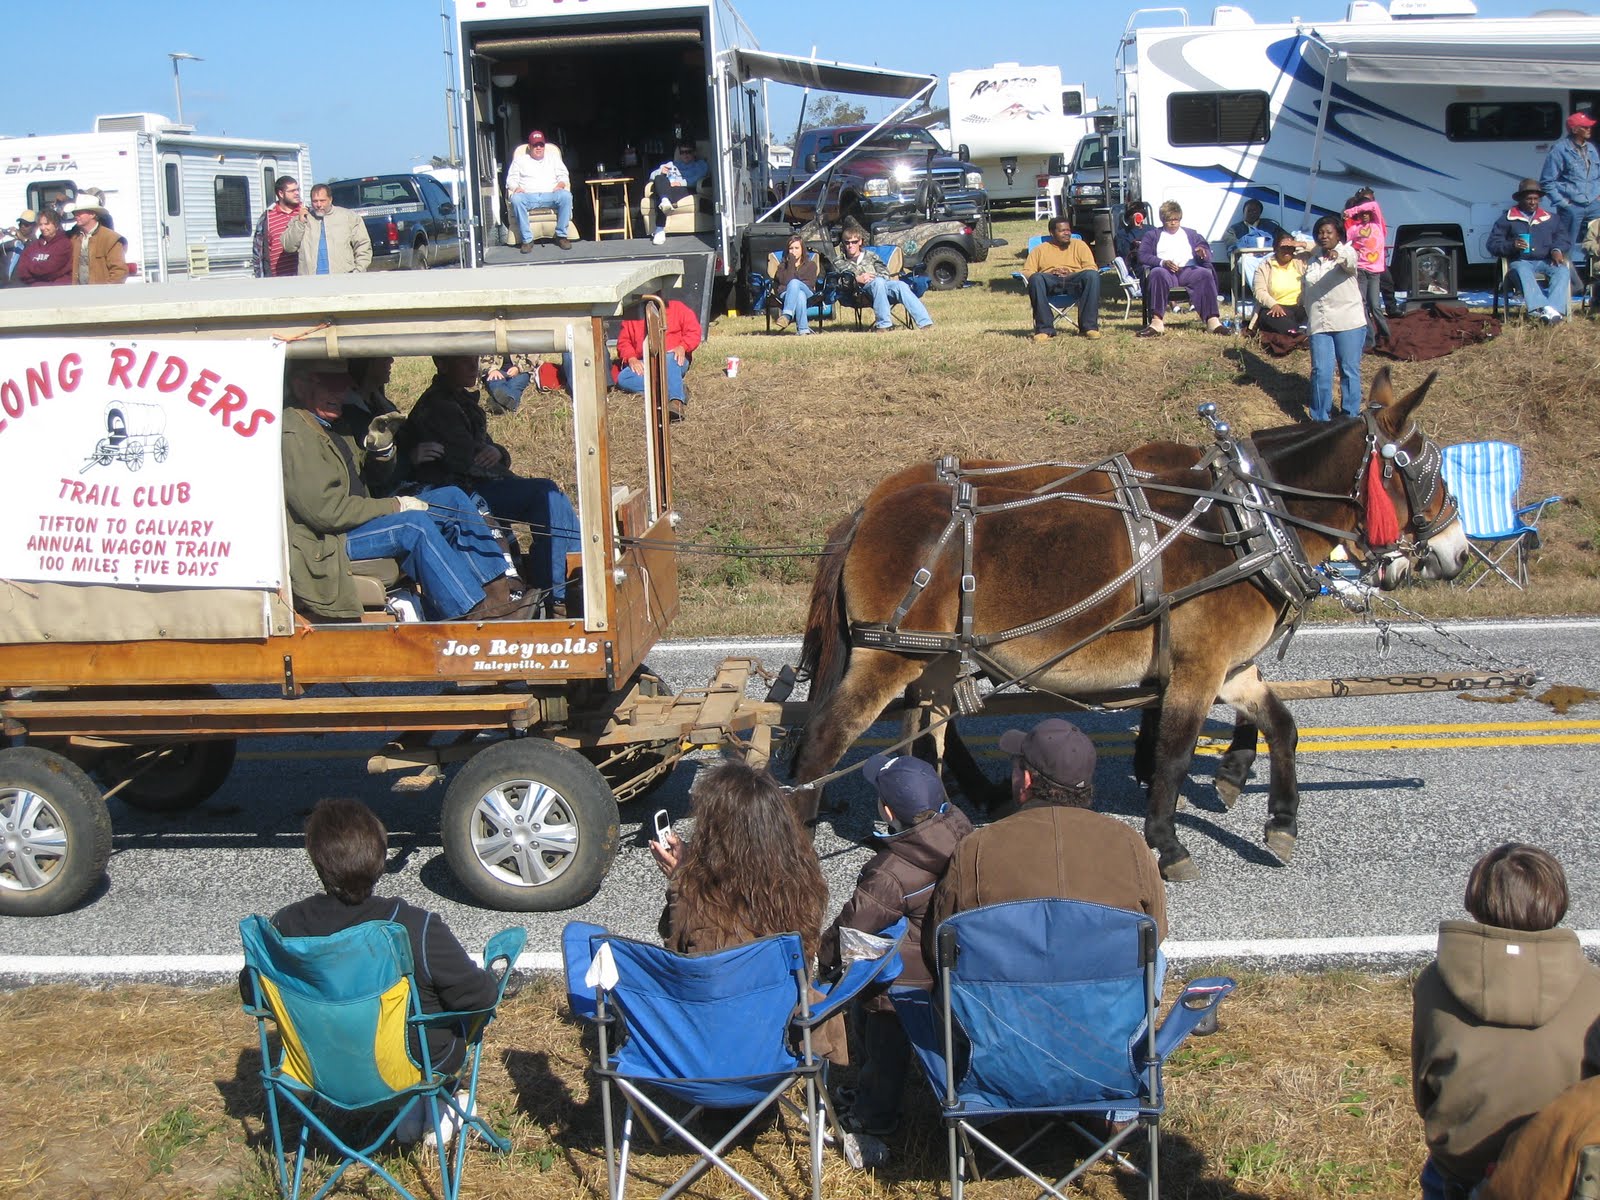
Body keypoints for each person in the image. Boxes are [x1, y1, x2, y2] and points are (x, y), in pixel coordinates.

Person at [245, 797, 498, 1143]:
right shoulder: (413, 927)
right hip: (409, 1072)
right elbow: (479, 997)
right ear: (381, 860)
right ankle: (438, 1098)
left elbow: (254, 993)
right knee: (459, 1006)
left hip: (319, 1073)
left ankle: (416, 1110)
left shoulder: (282, 930)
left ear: (318, 862)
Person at [1412, 843, 1600, 1200]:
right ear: (1556, 901)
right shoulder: (1594, 990)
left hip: (1458, 1174)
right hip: (1559, 1177)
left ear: (1477, 899)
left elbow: (1425, 1094)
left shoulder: (1434, 984)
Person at [817, 753, 972, 1168]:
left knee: (882, 1050)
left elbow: (855, 928)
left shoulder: (889, 873)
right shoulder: (962, 833)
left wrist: (823, 958)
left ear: (887, 811)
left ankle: (876, 1116)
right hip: (949, 972)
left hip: (900, 986)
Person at [282, 361, 525, 623]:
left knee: (452, 497)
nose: (340, 395)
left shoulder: (333, 424)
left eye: (341, 388)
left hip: (356, 522)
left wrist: (382, 451)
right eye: (330, 389)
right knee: (414, 525)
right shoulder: (295, 433)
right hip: (329, 540)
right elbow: (326, 513)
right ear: (300, 385)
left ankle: (498, 595)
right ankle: (470, 614)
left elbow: (369, 478)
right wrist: (394, 506)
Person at [924, 718, 1167, 970]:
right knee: (1157, 962)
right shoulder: (1131, 843)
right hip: (1108, 1002)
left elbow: (939, 941)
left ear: (1027, 780)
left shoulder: (975, 847)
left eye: (1015, 768)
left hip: (1000, 1002)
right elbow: (1157, 929)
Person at [648, 760, 845, 1062]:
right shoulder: (803, 884)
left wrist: (681, 882)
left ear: (716, 836)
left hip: (714, 1050)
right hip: (782, 1037)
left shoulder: (701, 905)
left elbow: (680, 957)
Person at [400, 355, 581, 616]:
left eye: (474, 359)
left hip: (478, 484)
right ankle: (558, 593)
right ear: (442, 364)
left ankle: (570, 585)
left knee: (553, 497)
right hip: (462, 491)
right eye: (464, 360)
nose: (473, 365)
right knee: (545, 494)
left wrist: (498, 452)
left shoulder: (459, 400)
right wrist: (496, 459)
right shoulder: (439, 406)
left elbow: (484, 449)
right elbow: (466, 461)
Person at [1301, 215, 1365, 422]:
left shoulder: (1347, 252)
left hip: (1348, 322)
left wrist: (1337, 253)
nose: (1324, 236)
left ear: (1339, 234)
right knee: (1321, 371)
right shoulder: (1313, 258)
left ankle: (1350, 416)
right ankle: (1320, 418)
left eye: (1329, 232)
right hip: (1320, 323)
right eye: (1320, 232)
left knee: (1348, 369)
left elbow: (1348, 258)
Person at [1487, 178, 1571, 324]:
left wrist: (1557, 250)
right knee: (1522, 269)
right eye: (1529, 199)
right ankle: (1541, 309)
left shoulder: (1551, 218)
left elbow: (1563, 238)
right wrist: (1512, 245)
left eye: (1536, 199)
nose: (1533, 202)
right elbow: (1492, 244)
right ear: (1520, 199)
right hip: (1521, 261)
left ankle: (1552, 310)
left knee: (1562, 270)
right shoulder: (1507, 219)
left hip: (1545, 260)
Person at [1136, 200, 1225, 337]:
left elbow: (1205, 249)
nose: (1173, 223)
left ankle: (1213, 321)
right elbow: (1142, 255)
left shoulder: (1191, 234)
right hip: (1166, 271)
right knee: (1156, 273)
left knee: (1204, 274)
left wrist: (1202, 252)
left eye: (1176, 220)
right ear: (1162, 220)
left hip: (1188, 270)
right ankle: (1157, 322)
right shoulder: (1152, 235)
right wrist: (1162, 262)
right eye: (1169, 220)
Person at [836, 224, 934, 333]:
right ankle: (883, 325)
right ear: (843, 244)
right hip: (859, 292)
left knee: (900, 285)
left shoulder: (871, 256)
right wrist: (856, 279)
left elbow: (885, 274)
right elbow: (839, 280)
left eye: (854, 242)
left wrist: (871, 276)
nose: (851, 245)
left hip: (881, 284)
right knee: (878, 283)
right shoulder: (839, 261)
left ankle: (925, 323)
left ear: (860, 242)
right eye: (847, 242)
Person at [1020, 215, 1103, 342]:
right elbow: (1026, 271)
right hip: (1050, 281)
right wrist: (1051, 272)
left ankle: (1089, 327)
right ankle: (1044, 329)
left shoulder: (1079, 245)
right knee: (1036, 278)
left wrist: (1071, 272)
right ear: (1052, 233)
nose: (1067, 233)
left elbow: (1091, 266)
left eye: (1068, 230)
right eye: (1062, 231)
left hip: (1074, 280)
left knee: (1092, 275)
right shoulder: (1040, 250)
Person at [615, 297, 703, 416]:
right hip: (647, 361)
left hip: (673, 358)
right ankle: (675, 387)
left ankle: (676, 401)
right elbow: (623, 342)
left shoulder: (678, 307)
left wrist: (683, 346)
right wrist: (631, 358)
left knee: (670, 360)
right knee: (624, 378)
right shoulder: (633, 315)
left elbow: (694, 331)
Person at [1539, 110, 1600, 256]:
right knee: (1566, 246)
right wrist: (1563, 203)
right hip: (1572, 206)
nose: (1589, 129)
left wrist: (1598, 194)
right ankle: (1567, 277)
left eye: (1589, 126)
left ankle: (1594, 276)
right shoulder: (1560, 150)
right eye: (1585, 127)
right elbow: (1547, 181)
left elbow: (1597, 176)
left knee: (1596, 243)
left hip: (1594, 204)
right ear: (1574, 129)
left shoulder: (1591, 148)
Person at [283, 183, 372, 275]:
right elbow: (289, 247)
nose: (318, 204)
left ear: (330, 199)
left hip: (342, 279)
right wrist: (300, 223)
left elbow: (363, 245)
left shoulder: (349, 217)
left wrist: (358, 270)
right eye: (315, 201)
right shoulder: (301, 219)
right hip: (310, 282)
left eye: (322, 201)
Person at [505, 130, 572, 251]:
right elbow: (511, 179)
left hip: (551, 194)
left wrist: (561, 184)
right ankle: (527, 240)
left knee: (566, 196)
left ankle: (561, 236)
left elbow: (564, 175)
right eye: (535, 145)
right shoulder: (520, 160)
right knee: (516, 199)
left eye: (541, 145)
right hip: (528, 196)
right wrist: (516, 187)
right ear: (530, 146)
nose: (539, 148)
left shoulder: (553, 158)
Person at [1342, 188, 1391, 344]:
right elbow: (1347, 243)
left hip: (1375, 272)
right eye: (1361, 213)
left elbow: (1374, 206)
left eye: (1366, 211)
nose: (1364, 214)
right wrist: (1348, 215)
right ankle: (1370, 338)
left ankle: (1385, 335)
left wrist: (1352, 210)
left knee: (1375, 305)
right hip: (1361, 271)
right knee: (1361, 305)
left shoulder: (1378, 225)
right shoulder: (1354, 230)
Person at [647, 140, 709, 246]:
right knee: (659, 177)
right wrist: (661, 171)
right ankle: (665, 200)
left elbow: (697, 178)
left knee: (661, 193)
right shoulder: (673, 164)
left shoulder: (700, 165)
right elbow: (652, 176)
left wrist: (680, 183)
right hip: (669, 189)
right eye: (682, 152)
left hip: (687, 189)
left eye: (688, 152)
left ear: (694, 153)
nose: (685, 155)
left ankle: (660, 229)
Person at [1222, 198, 1285, 301]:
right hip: (1248, 257)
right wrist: (1248, 251)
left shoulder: (1269, 226)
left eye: (1255, 211)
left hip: (1267, 255)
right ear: (1244, 212)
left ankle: (1275, 293)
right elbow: (1231, 245)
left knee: (1274, 260)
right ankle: (1260, 293)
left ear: (1260, 213)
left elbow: (1285, 237)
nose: (1251, 213)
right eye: (1249, 211)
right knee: (1245, 261)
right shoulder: (1234, 229)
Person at [1253, 230, 1308, 335]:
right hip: (1275, 308)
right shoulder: (1265, 266)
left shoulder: (1301, 261)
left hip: (1299, 307)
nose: (1287, 251)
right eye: (1283, 247)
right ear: (1275, 249)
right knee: (1273, 320)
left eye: (1290, 247)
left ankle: (1297, 331)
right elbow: (1259, 291)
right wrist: (1273, 305)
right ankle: (1298, 332)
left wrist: (1300, 244)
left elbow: (1320, 249)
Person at [251, 176, 303, 278]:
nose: (297, 193)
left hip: (302, 276)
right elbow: (258, 252)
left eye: (297, 190)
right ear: (281, 193)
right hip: (277, 279)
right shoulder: (267, 217)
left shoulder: (305, 212)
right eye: (292, 191)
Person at [68, 196, 128, 284]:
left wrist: (105, 292)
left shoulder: (110, 238)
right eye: (75, 213)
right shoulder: (73, 238)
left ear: (92, 214)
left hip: (102, 295)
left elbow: (119, 272)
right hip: (78, 294)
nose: (76, 215)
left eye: (80, 212)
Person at [771, 233, 819, 335]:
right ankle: (803, 330)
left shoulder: (811, 265)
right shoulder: (782, 266)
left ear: (802, 249)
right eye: (791, 248)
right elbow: (784, 282)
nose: (793, 251)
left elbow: (809, 282)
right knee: (799, 295)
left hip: (808, 292)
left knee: (795, 284)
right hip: (786, 294)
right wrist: (791, 264)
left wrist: (795, 281)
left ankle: (787, 315)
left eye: (797, 248)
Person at [12, 209, 70, 286]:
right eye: (41, 224)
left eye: (46, 224)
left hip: (58, 291)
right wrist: (40, 274)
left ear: (56, 225)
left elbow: (51, 269)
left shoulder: (64, 244)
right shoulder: (33, 246)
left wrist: (31, 269)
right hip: (34, 290)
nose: (43, 228)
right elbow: (22, 271)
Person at [1, 210, 36, 284]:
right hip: (5, 288)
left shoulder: (37, 244)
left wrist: (23, 239)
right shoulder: (11, 244)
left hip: (23, 288)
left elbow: (33, 253)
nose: (22, 226)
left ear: (35, 226)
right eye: (20, 224)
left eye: (26, 225)